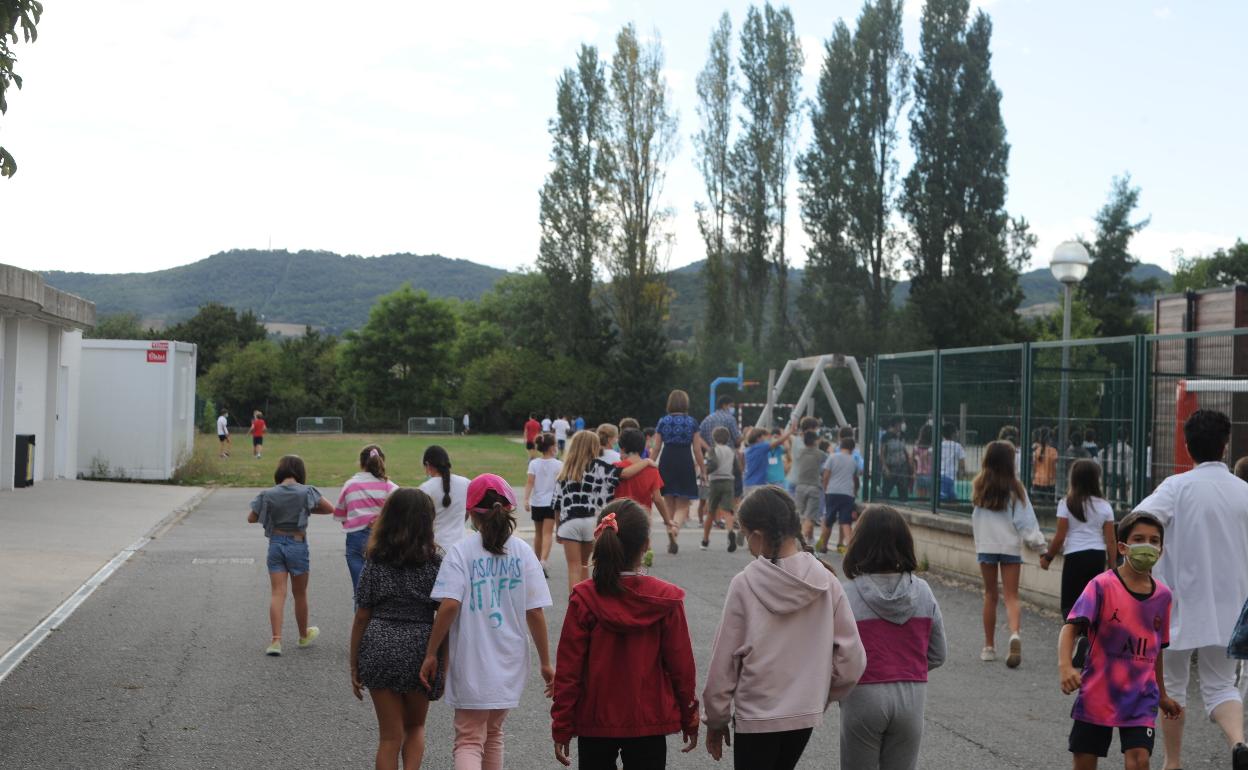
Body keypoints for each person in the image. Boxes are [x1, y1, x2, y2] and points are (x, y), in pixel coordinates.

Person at [703, 486, 866, 770]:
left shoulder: (745, 584)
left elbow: (724, 662)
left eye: (745, 535)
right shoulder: (826, 580)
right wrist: (819, 692)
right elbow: (852, 659)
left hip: (756, 715)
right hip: (803, 713)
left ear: (757, 535)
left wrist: (716, 719)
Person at [1131, 409, 1248, 770]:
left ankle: (1174, 762)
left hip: (1177, 603)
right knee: (1221, 685)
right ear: (1225, 446)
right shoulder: (1245, 492)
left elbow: (1137, 523)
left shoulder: (1175, 488)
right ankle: (1240, 743)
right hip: (1232, 605)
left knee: (1173, 686)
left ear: (1186, 445)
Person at [419, 474, 554, 770]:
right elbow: (535, 612)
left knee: (469, 738)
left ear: (471, 515)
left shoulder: (461, 551)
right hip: (509, 660)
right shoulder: (523, 553)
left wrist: (431, 653)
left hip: (472, 660)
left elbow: (449, 604)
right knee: (493, 733)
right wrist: (546, 662)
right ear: (508, 511)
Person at [551, 501, 700, 768]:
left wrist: (562, 724)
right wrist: (690, 716)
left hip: (595, 720)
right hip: (648, 719)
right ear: (646, 544)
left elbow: (568, 670)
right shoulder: (664, 600)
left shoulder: (584, 598)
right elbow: (681, 667)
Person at [1058, 511, 1182, 770]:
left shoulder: (1163, 597)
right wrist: (1066, 666)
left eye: (1154, 540)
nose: (1147, 545)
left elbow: (1155, 649)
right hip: (1098, 692)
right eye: (1139, 539)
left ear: (1161, 548)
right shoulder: (1101, 586)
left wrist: (1161, 694)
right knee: (1084, 760)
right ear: (1123, 546)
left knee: (1140, 760)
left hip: (1140, 696)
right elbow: (1070, 628)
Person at [840, 505, 947, 770]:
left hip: (862, 694)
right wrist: (907, 665)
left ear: (859, 542)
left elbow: (834, 653)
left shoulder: (847, 594)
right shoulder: (923, 592)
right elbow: (938, 654)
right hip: (911, 695)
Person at [349, 488, 445, 770]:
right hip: (420, 647)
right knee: (415, 727)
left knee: (389, 737)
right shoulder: (435, 563)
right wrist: (442, 658)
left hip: (379, 644)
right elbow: (444, 613)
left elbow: (362, 615)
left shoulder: (375, 561)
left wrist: (354, 661)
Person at [246, 454, 334, 655]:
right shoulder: (307, 492)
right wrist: (307, 510)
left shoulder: (268, 494)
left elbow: (251, 517)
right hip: (297, 544)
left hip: (275, 544)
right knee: (300, 593)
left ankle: (275, 641)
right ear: (300, 471)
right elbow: (330, 509)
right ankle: (303, 635)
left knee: (278, 593)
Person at [971, 440, 1046, 668]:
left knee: (990, 595)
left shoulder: (979, 485)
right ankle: (1014, 634)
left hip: (986, 546)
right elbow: (1026, 523)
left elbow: (976, 518)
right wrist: (1041, 547)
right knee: (1011, 596)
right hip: (1010, 547)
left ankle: (989, 646)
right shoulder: (1015, 488)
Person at [553, 430, 654, 595]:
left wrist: (558, 529)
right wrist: (647, 462)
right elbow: (625, 474)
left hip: (569, 522)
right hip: (591, 520)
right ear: (594, 447)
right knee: (585, 565)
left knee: (573, 567)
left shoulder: (565, 472)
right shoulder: (600, 467)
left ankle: (573, 603)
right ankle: (585, 601)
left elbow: (556, 505)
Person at [1038, 459, 1116, 618]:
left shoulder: (1066, 503)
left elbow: (1060, 537)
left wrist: (1048, 558)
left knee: (1070, 605)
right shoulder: (1104, 506)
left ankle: (1072, 635)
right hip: (1097, 556)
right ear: (1096, 480)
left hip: (1074, 556)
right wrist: (1113, 566)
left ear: (1073, 479)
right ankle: (1087, 637)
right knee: (1093, 601)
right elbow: (1111, 541)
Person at [334, 444, 399, 592]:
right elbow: (399, 516)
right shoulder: (391, 487)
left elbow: (340, 515)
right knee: (383, 589)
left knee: (360, 590)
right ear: (382, 462)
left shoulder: (350, 485)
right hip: (383, 538)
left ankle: (360, 613)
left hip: (356, 539)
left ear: (361, 463)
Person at [614, 428, 678, 557]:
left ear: (622, 448)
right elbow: (658, 499)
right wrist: (667, 520)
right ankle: (642, 571)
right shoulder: (652, 470)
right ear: (643, 447)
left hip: (619, 516)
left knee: (622, 552)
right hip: (642, 518)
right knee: (639, 553)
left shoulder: (616, 467)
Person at [653, 389, 709, 536]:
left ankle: (669, 530)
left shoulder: (662, 421)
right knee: (683, 504)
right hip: (685, 460)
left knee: (668, 501)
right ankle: (675, 527)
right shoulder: (692, 422)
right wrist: (703, 470)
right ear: (686, 403)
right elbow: (697, 450)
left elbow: (657, 447)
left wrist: (650, 464)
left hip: (667, 460)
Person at [418, 446, 470, 552]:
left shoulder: (425, 488)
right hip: (461, 547)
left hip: (435, 548)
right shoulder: (466, 483)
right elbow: (468, 511)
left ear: (428, 465)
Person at [524, 433, 561, 576]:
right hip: (551, 503)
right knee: (547, 533)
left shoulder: (534, 463)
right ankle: (543, 560)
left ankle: (537, 560)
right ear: (552, 447)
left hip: (537, 502)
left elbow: (530, 483)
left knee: (538, 533)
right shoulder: (559, 464)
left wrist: (526, 499)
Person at [700, 395, 744, 509]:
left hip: (712, 458)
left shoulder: (707, 419)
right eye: (731, 406)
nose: (732, 409)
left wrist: (709, 448)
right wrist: (745, 437)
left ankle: (716, 516)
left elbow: (698, 437)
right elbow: (737, 439)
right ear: (725, 405)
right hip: (729, 458)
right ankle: (732, 513)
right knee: (736, 489)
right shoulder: (729, 418)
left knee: (714, 492)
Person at [702, 426, 740, 552]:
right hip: (729, 481)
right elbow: (737, 468)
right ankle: (730, 532)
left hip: (715, 481)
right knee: (728, 511)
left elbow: (713, 464)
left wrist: (705, 472)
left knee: (711, 511)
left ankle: (705, 540)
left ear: (714, 438)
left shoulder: (713, 450)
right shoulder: (731, 451)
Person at [820, 437, 860, 554]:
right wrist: (855, 491)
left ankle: (824, 545)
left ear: (841, 446)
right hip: (847, 494)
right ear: (852, 449)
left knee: (829, 520)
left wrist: (825, 488)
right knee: (846, 522)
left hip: (832, 492)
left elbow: (826, 475)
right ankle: (851, 548)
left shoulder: (832, 457)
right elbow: (855, 479)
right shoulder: (853, 461)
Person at [791, 431, 827, 545]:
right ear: (816, 441)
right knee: (810, 517)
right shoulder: (820, 454)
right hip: (814, 487)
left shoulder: (799, 453)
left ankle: (810, 540)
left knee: (800, 515)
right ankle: (801, 542)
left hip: (800, 486)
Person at [742, 424, 795, 500]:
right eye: (763, 437)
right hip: (757, 484)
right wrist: (790, 432)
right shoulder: (760, 447)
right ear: (758, 438)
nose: (765, 439)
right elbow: (778, 442)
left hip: (747, 484)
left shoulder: (748, 449)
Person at [879, 417, 913, 503]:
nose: (902, 426)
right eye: (900, 424)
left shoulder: (902, 435)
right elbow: (882, 454)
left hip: (902, 467)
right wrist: (885, 467)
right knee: (886, 490)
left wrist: (909, 464)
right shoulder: (886, 437)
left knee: (903, 491)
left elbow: (905, 450)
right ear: (896, 425)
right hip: (891, 466)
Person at [938, 424, 966, 502]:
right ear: (953, 434)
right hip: (949, 476)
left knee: (950, 497)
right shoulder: (957, 446)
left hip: (939, 475)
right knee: (946, 498)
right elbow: (962, 463)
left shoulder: (939, 445)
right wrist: (962, 472)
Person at [1032, 427, 1059, 504]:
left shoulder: (1036, 451)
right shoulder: (1053, 451)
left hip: (1037, 481)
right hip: (1050, 482)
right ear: (1050, 438)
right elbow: (1056, 467)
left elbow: (1033, 467)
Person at [913, 425, 933, 500]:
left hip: (919, 474)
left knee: (920, 500)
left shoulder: (917, 446)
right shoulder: (933, 447)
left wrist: (914, 472)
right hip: (931, 475)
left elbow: (913, 460)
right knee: (931, 500)